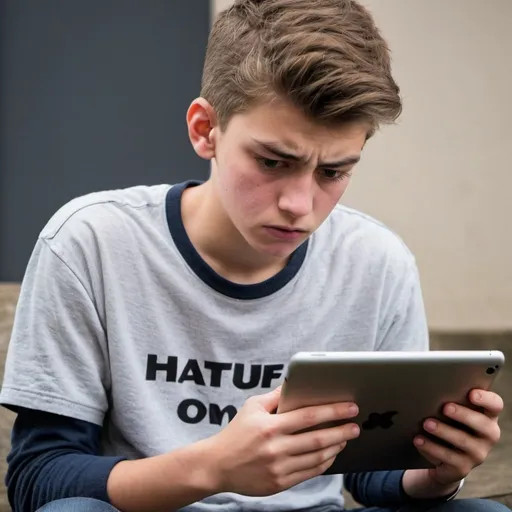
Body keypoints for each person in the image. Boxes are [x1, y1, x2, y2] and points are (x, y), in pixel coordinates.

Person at [0, 0, 508, 511]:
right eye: (272, 161)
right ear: (205, 130)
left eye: (333, 172)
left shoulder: (378, 262)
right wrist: (213, 467)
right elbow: (39, 478)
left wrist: (437, 473)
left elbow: (373, 475)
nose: (299, 206)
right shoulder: (90, 243)